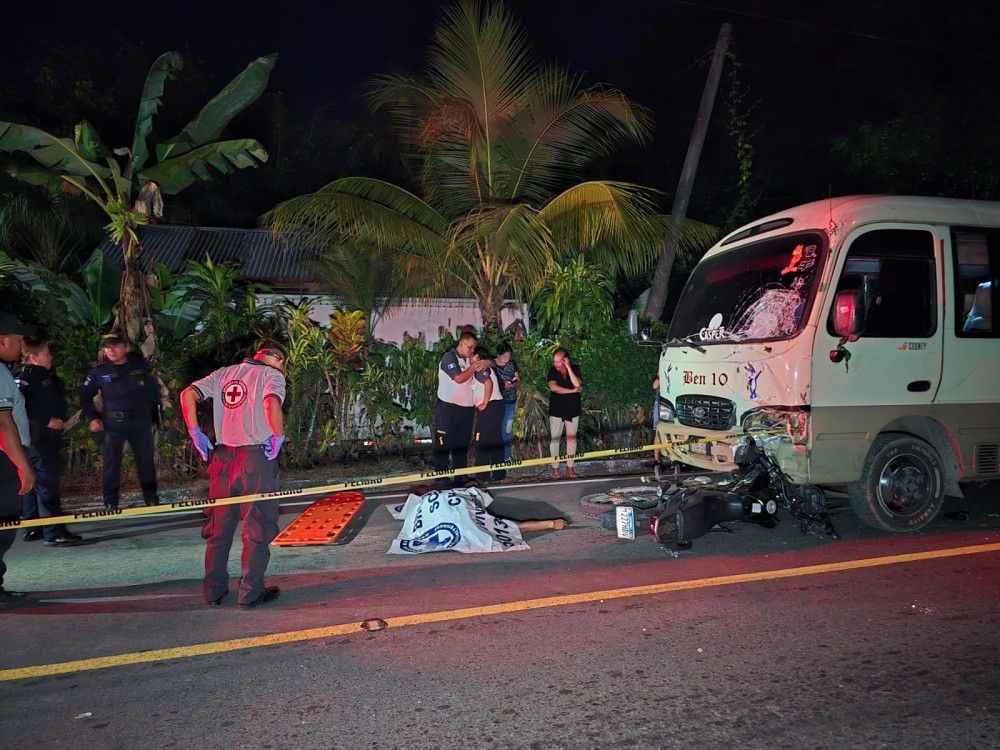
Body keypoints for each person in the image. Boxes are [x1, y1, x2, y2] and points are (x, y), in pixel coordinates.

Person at [180, 346, 287, 608]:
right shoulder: (270, 375)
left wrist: (196, 433)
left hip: (223, 460)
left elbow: (187, 395)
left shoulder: (224, 373)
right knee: (256, 528)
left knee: (219, 528)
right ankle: (250, 592)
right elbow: (271, 402)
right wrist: (278, 435)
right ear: (278, 360)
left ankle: (214, 591)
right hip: (255, 460)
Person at [80, 333, 162, 510]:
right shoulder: (99, 371)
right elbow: (85, 396)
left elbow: (154, 396)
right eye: (107, 347)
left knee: (145, 462)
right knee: (111, 464)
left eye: (115, 346)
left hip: (140, 422)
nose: (110, 350)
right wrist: (92, 417)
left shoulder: (141, 368)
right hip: (113, 424)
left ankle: (151, 499)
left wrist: (155, 421)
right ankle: (110, 502)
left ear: (125, 347)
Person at [14, 338, 82, 547]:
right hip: (40, 438)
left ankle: (33, 526)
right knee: (46, 485)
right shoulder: (34, 376)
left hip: (28, 439)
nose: (50, 357)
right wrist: (46, 420)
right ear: (33, 357)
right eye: (46, 354)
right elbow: (20, 404)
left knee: (33, 483)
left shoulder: (18, 375)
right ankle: (54, 532)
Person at [0, 313, 37, 604]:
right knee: (4, 524)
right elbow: (3, 422)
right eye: (19, 339)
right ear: (2, 340)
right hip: (3, 460)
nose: (22, 345)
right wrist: (24, 466)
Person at [432, 331, 489, 482]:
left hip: (466, 410)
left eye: (473, 349)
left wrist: (481, 364)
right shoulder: (449, 358)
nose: (472, 351)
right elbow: (458, 378)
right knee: (443, 443)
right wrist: (473, 366)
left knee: (462, 444)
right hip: (448, 409)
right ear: (462, 343)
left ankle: (460, 475)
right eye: (470, 347)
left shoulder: (467, 361)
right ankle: (441, 477)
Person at [471, 346, 506, 483]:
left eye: (471, 356)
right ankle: (499, 474)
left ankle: (483, 475)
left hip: (489, 407)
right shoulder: (486, 368)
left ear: (478, 357)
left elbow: (488, 383)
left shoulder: (480, 369)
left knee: (481, 440)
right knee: (495, 439)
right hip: (496, 406)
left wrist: (484, 403)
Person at [547, 348, 582, 479]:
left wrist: (568, 368)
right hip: (557, 409)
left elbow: (577, 383)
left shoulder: (574, 369)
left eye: (558, 362)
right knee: (555, 439)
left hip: (572, 409)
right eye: (554, 361)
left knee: (571, 439)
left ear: (565, 360)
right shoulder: (552, 371)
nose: (555, 364)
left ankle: (570, 466)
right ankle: (555, 468)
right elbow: (553, 388)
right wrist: (572, 391)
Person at [494, 343, 521, 461]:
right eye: (504, 357)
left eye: (508, 357)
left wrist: (513, 384)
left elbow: (519, 380)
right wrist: (502, 385)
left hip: (510, 401)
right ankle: (496, 458)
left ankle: (506, 457)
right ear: (498, 355)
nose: (506, 359)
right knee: (496, 431)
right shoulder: (492, 365)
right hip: (496, 403)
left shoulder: (511, 364)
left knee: (507, 430)